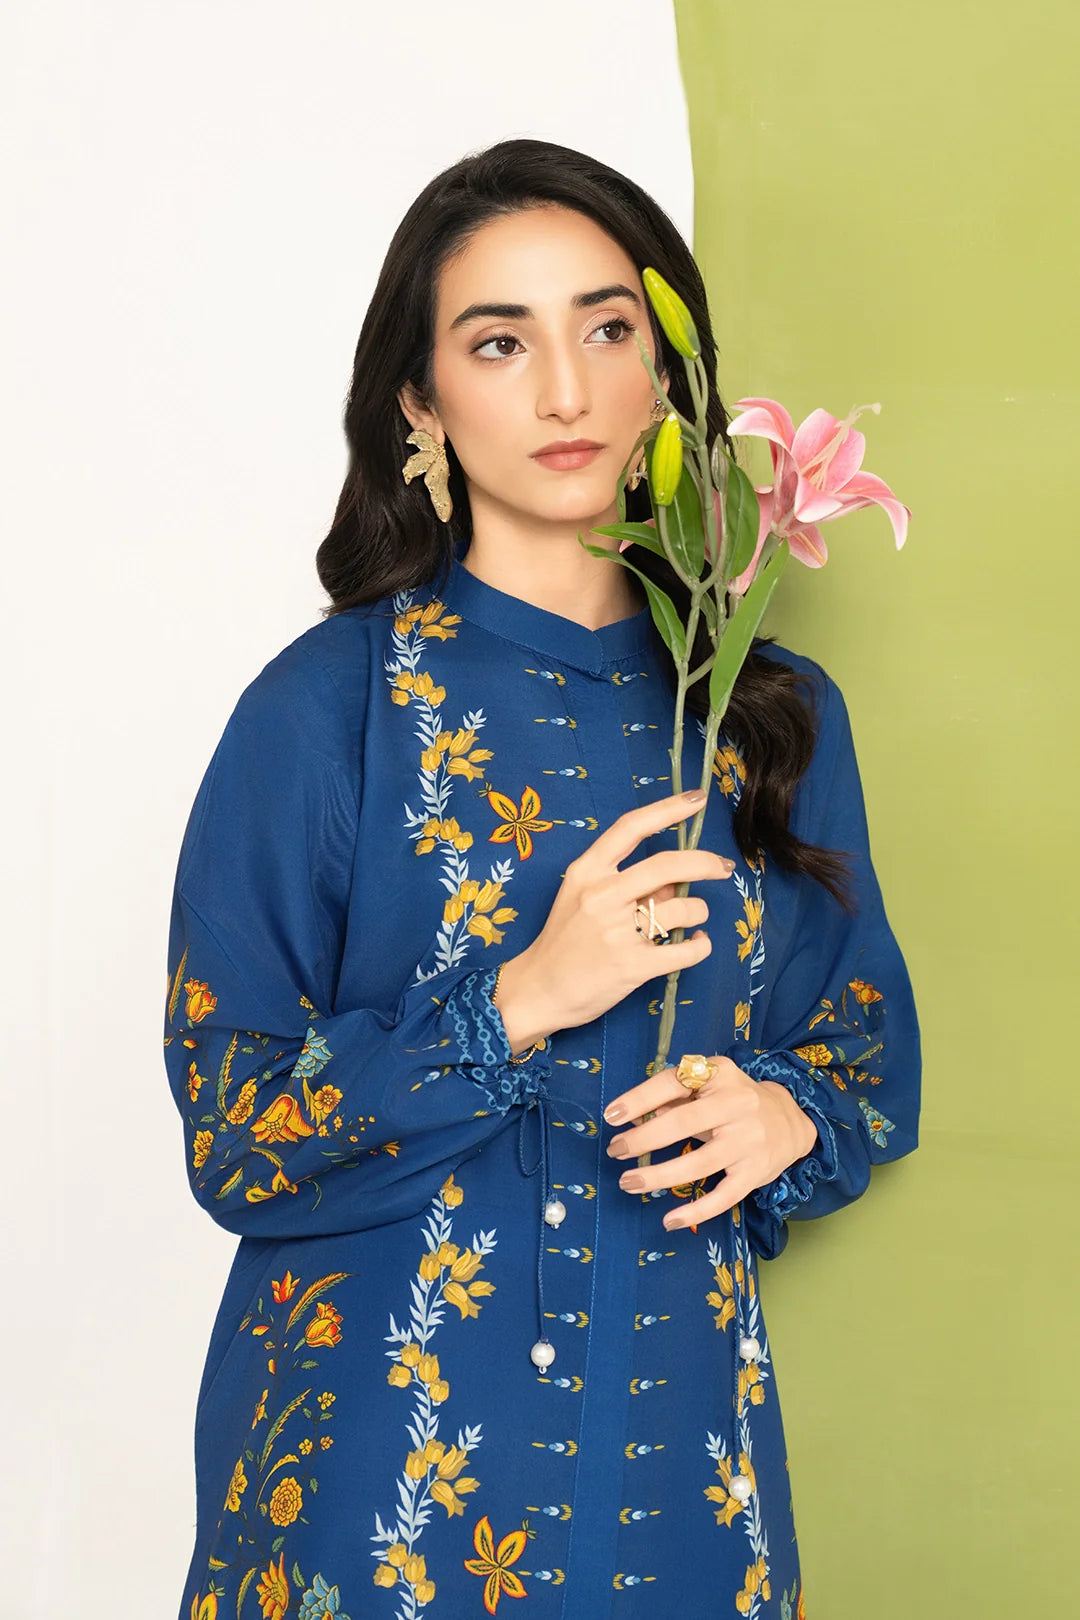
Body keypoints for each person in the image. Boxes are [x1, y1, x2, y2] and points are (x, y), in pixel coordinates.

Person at [164, 138, 921, 1620]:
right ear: (420, 401)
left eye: (608, 328)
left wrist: (784, 1115)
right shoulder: (326, 709)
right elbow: (231, 1131)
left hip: (677, 1468)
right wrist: (517, 998)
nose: (566, 391)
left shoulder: (765, 717)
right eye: (499, 343)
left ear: (668, 372)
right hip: (375, 1489)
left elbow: (863, 1060)